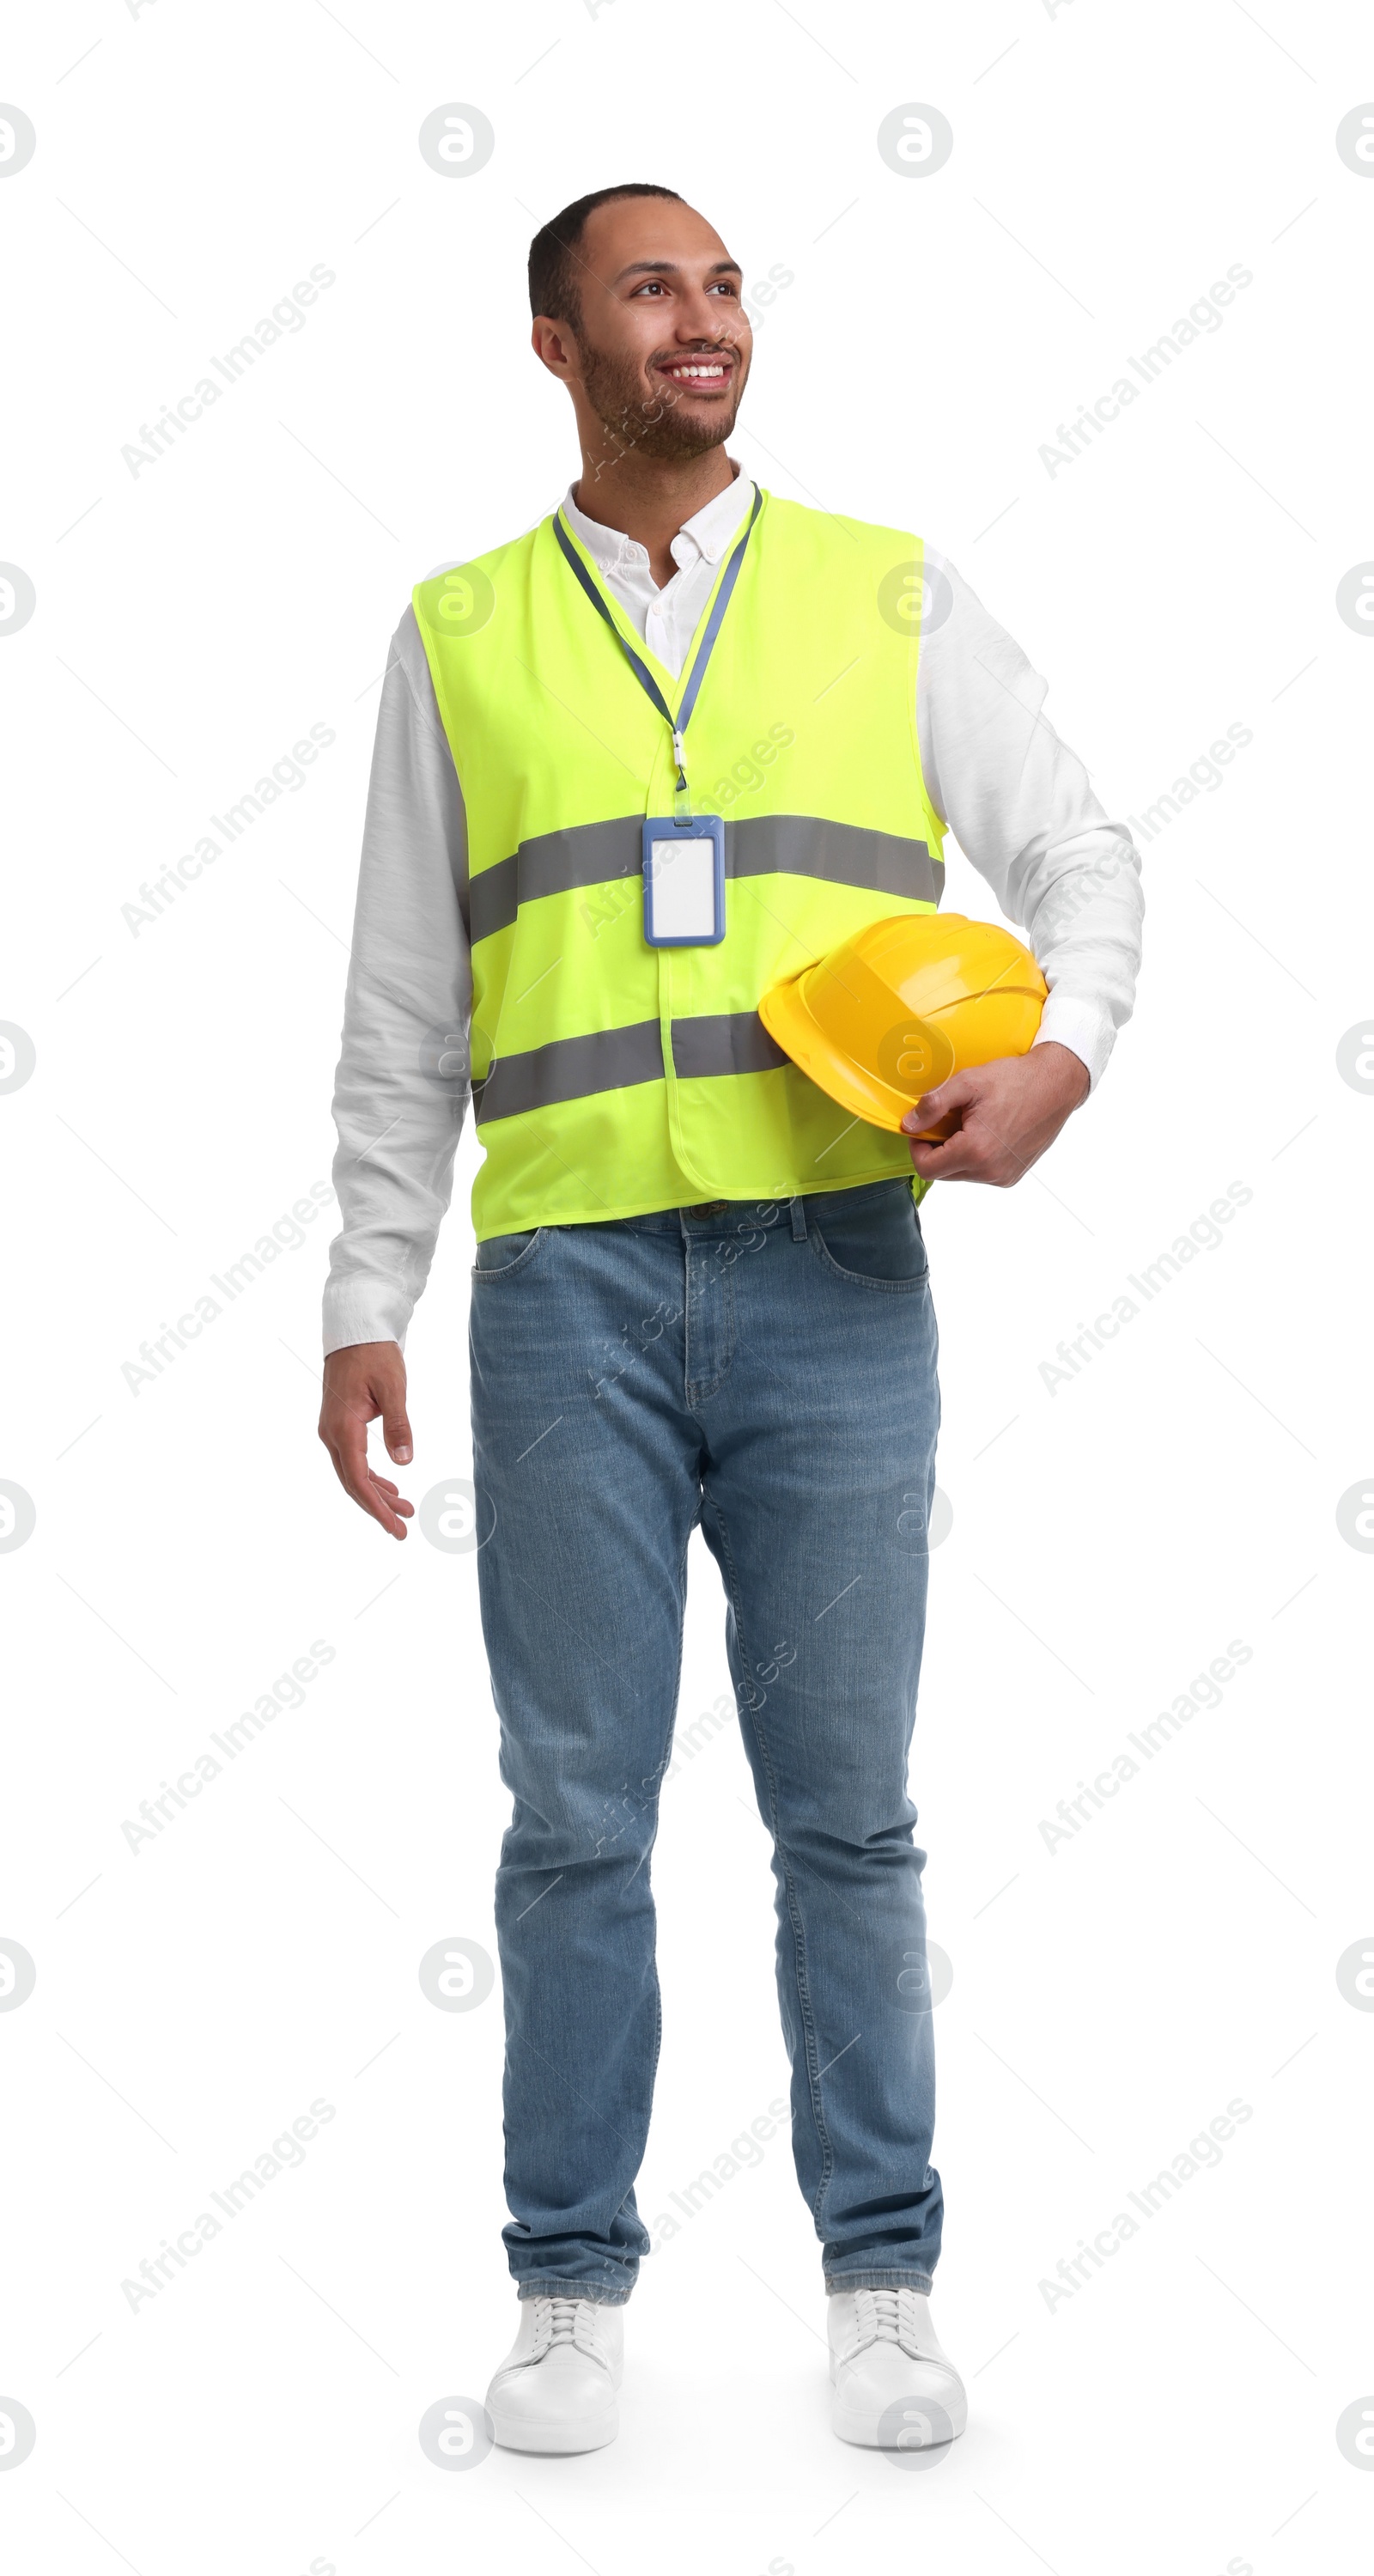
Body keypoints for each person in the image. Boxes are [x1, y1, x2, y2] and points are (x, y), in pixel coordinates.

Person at [319, 181, 1143, 2456]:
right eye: (649, 288)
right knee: (574, 1823)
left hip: (834, 1286)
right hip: (564, 1287)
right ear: (557, 347)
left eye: (723, 284)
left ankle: (885, 2273)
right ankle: (568, 2286)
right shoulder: (460, 632)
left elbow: (1079, 852)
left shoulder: (886, 589)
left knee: (850, 1819)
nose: (703, 319)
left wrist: (1057, 1061)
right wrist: (360, 1291)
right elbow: (404, 1010)